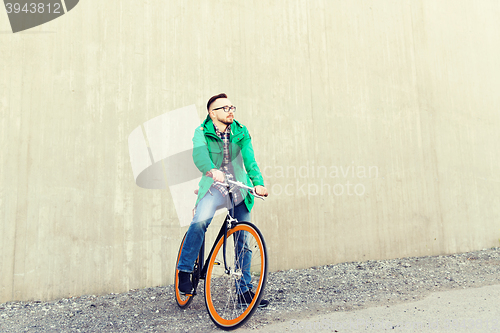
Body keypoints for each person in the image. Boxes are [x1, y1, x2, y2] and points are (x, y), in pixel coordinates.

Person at [177, 93, 269, 307]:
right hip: (214, 186)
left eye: (232, 107)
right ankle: (185, 270)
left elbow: (250, 159)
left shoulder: (241, 131)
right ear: (212, 113)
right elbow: (199, 155)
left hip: (238, 187)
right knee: (200, 222)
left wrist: (258, 182)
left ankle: (243, 290)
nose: (231, 111)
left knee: (243, 239)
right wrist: (210, 169)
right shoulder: (201, 132)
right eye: (225, 108)